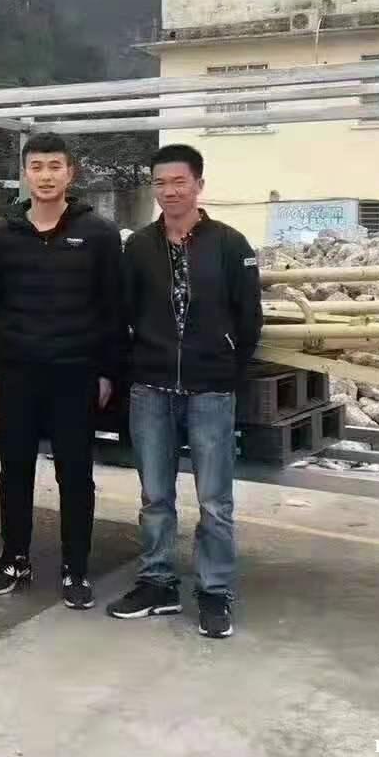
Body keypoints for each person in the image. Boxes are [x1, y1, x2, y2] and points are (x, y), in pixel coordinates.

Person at [108, 143, 262, 640]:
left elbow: (249, 317)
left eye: (179, 181)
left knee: (214, 499)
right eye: (160, 183)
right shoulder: (139, 247)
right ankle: (158, 583)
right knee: (155, 495)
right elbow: (123, 312)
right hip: (150, 388)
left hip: (210, 389)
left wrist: (226, 367)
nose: (170, 191)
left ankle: (215, 591)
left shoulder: (230, 244)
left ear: (198, 184)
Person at [0, 132, 125, 609]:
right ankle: (13, 559)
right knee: (14, 470)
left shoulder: (98, 234)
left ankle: (75, 568)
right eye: (36, 167)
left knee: (75, 475)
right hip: (16, 374)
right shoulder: (2, 236)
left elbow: (113, 309)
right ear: (25, 174)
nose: (45, 176)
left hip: (74, 375)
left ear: (70, 173)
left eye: (54, 166)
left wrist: (107, 372)